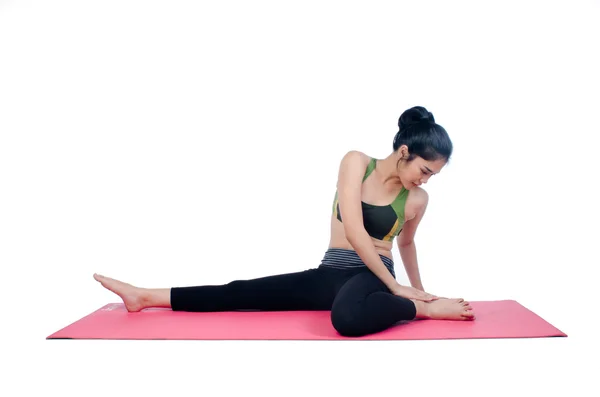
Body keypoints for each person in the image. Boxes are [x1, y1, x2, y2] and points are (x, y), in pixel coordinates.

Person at [93, 105, 475, 337]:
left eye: (431, 176)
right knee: (241, 292)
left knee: (346, 319)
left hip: (371, 275)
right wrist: (399, 287)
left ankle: (419, 312)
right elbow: (356, 233)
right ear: (404, 152)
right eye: (424, 170)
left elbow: (405, 244)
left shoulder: (417, 200)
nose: (425, 181)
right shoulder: (356, 163)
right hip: (330, 272)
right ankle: (144, 296)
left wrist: (422, 295)